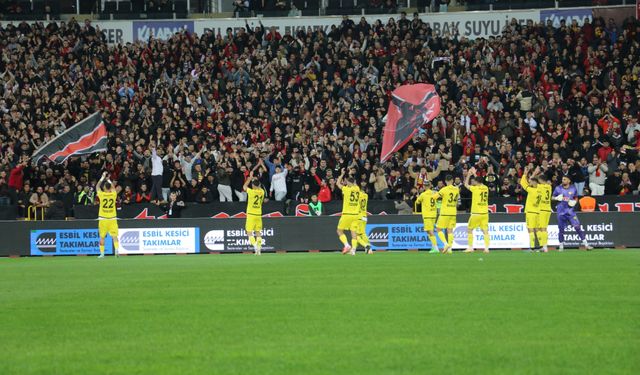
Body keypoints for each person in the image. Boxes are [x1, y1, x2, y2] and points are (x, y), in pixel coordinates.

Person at [553, 176, 593, 251]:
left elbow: (575, 197)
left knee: (577, 227)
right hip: (561, 212)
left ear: (569, 180)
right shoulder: (558, 188)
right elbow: (552, 197)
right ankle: (561, 247)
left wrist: (574, 202)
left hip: (570, 212)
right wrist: (556, 198)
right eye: (562, 179)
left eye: (564, 179)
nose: (563, 180)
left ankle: (586, 245)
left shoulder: (573, 188)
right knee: (561, 229)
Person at [463, 168, 490, 253]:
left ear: (476, 182)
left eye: (474, 181)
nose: (473, 182)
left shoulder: (475, 189)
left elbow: (465, 184)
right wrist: (475, 174)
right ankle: (486, 248)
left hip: (476, 213)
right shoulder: (486, 188)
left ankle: (470, 247)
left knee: (469, 229)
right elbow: (479, 181)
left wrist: (468, 175)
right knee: (485, 231)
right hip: (485, 213)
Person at [336, 169, 360, 255]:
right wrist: (350, 175)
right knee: (353, 232)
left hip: (347, 214)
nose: (345, 182)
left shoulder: (346, 189)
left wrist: (342, 174)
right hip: (356, 215)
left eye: (346, 182)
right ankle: (353, 250)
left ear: (348, 183)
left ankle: (346, 245)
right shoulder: (357, 188)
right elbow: (353, 182)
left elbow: (338, 183)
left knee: (339, 231)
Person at [96, 171, 119, 258]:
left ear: (104, 188)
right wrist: (108, 179)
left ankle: (102, 254)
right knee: (114, 236)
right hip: (112, 218)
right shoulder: (113, 194)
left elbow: (97, 186)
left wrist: (102, 177)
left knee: (102, 237)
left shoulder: (101, 194)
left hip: (103, 219)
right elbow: (113, 187)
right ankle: (116, 251)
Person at [434, 175, 459, 254]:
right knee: (450, 230)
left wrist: (434, 193)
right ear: (452, 180)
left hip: (445, 212)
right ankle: (450, 249)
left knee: (438, 229)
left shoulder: (443, 189)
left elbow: (435, 197)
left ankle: (446, 244)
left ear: (445, 181)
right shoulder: (457, 189)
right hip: (453, 212)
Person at [243, 172, 265, 255]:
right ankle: (259, 248)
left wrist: (249, 178)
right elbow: (258, 186)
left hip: (251, 214)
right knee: (258, 232)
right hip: (259, 215)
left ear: (253, 186)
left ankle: (255, 245)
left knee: (249, 232)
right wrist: (255, 181)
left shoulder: (251, 192)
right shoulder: (262, 192)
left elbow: (244, 187)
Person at [414, 180, 439, 254]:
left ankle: (436, 247)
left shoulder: (423, 194)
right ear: (430, 185)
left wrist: (418, 197)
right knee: (429, 231)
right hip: (434, 214)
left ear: (424, 186)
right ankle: (433, 246)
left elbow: (417, 202)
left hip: (427, 215)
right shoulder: (434, 193)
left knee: (430, 231)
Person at [520, 166, 540, 251]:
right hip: (538, 212)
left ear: (533, 183)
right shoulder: (540, 189)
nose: (529, 182)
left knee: (530, 230)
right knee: (537, 229)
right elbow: (532, 182)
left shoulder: (531, 190)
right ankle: (542, 246)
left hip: (530, 212)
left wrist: (525, 173)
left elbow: (523, 183)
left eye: (530, 181)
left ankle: (532, 247)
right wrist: (534, 173)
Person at [535, 173, 553, 252]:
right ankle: (544, 246)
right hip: (548, 209)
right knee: (543, 228)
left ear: (541, 180)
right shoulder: (549, 187)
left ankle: (544, 247)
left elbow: (531, 183)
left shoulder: (540, 187)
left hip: (542, 210)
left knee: (542, 229)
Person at [355, 186, 372, 254]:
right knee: (363, 233)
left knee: (356, 235)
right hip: (364, 216)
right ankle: (354, 249)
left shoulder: (358, 195)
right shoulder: (366, 195)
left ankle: (367, 246)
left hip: (359, 216)